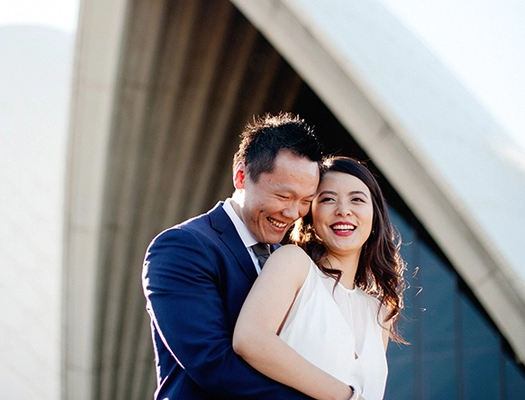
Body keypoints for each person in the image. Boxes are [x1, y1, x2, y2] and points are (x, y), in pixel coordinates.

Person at [142, 113, 323, 399]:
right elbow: (213, 364)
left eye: (306, 201)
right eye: (284, 197)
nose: (293, 213)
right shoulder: (182, 248)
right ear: (241, 176)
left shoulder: (285, 260)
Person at [233, 156, 406, 400]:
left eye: (356, 199)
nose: (343, 210)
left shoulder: (379, 314)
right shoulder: (293, 264)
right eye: (328, 199)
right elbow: (249, 339)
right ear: (311, 214)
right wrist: (345, 396)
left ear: (374, 215)